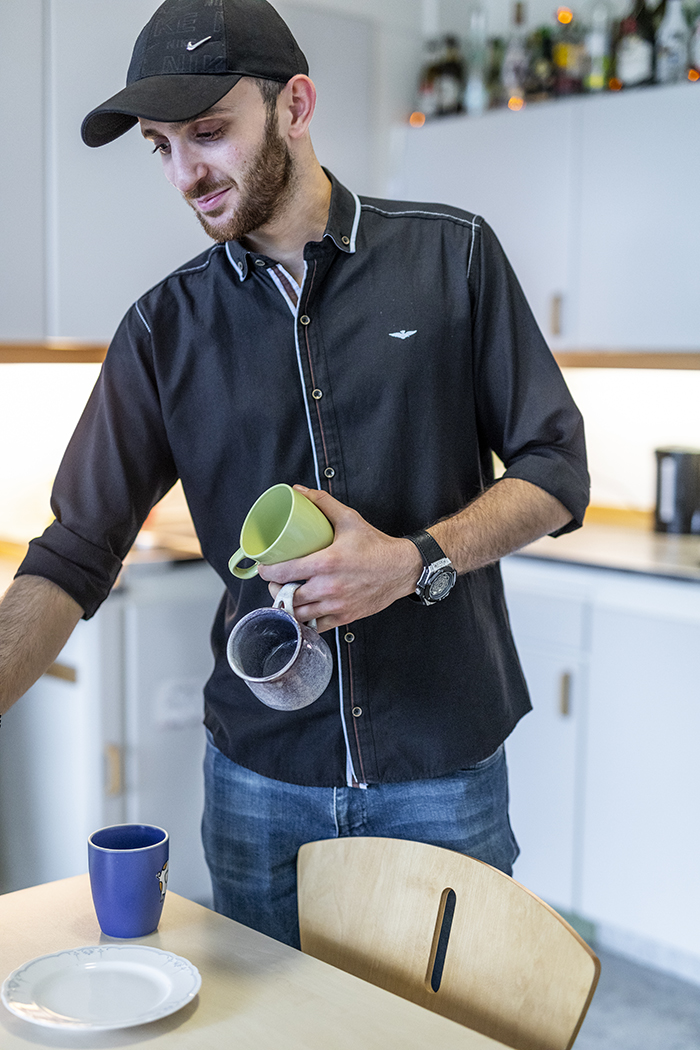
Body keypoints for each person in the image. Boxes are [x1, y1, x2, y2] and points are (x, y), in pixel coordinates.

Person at [0, 0, 588, 948]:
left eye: (208, 132)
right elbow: (73, 552)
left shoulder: (452, 256)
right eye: (160, 147)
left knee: (450, 1018)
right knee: (273, 1017)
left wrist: (413, 561)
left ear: (296, 106)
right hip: (260, 781)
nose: (185, 173)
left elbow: (556, 467)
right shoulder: (162, 331)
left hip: (442, 764)